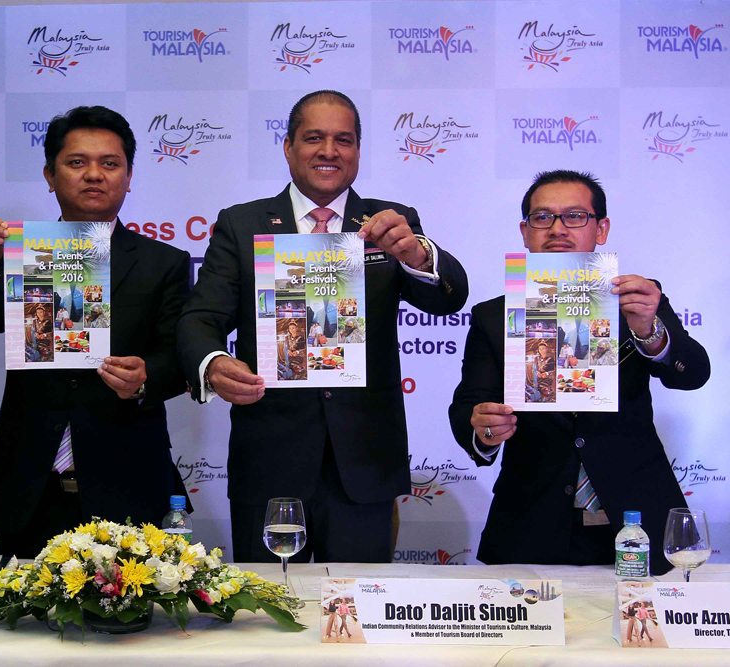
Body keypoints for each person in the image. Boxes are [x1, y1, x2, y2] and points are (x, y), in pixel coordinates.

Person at [177, 90, 468, 563]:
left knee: (358, 604)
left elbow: (448, 300)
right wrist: (212, 363)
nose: (329, 151)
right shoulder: (241, 224)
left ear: (358, 150)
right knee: (266, 603)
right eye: (314, 138)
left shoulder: (391, 223)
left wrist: (417, 254)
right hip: (270, 459)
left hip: (365, 462)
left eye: (343, 140)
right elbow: (200, 318)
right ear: (288, 146)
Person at [448, 170, 710, 574]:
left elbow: (692, 373)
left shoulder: (638, 301)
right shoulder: (493, 316)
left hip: (638, 517)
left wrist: (650, 332)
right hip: (531, 520)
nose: (557, 229)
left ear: (601, 229)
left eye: (574, 216)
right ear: (525, 232)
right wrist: (483, 427)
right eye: (542, 217)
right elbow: (469, 406)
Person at [0, 106, 191, 559]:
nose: (94, 175)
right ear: (50, 175)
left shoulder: (164, 263)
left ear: (129, 176)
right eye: (77, 162)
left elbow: (180, 356)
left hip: (128, 482)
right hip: (30, 486)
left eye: (110, 163)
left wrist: (145, 376)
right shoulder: (16, 256)